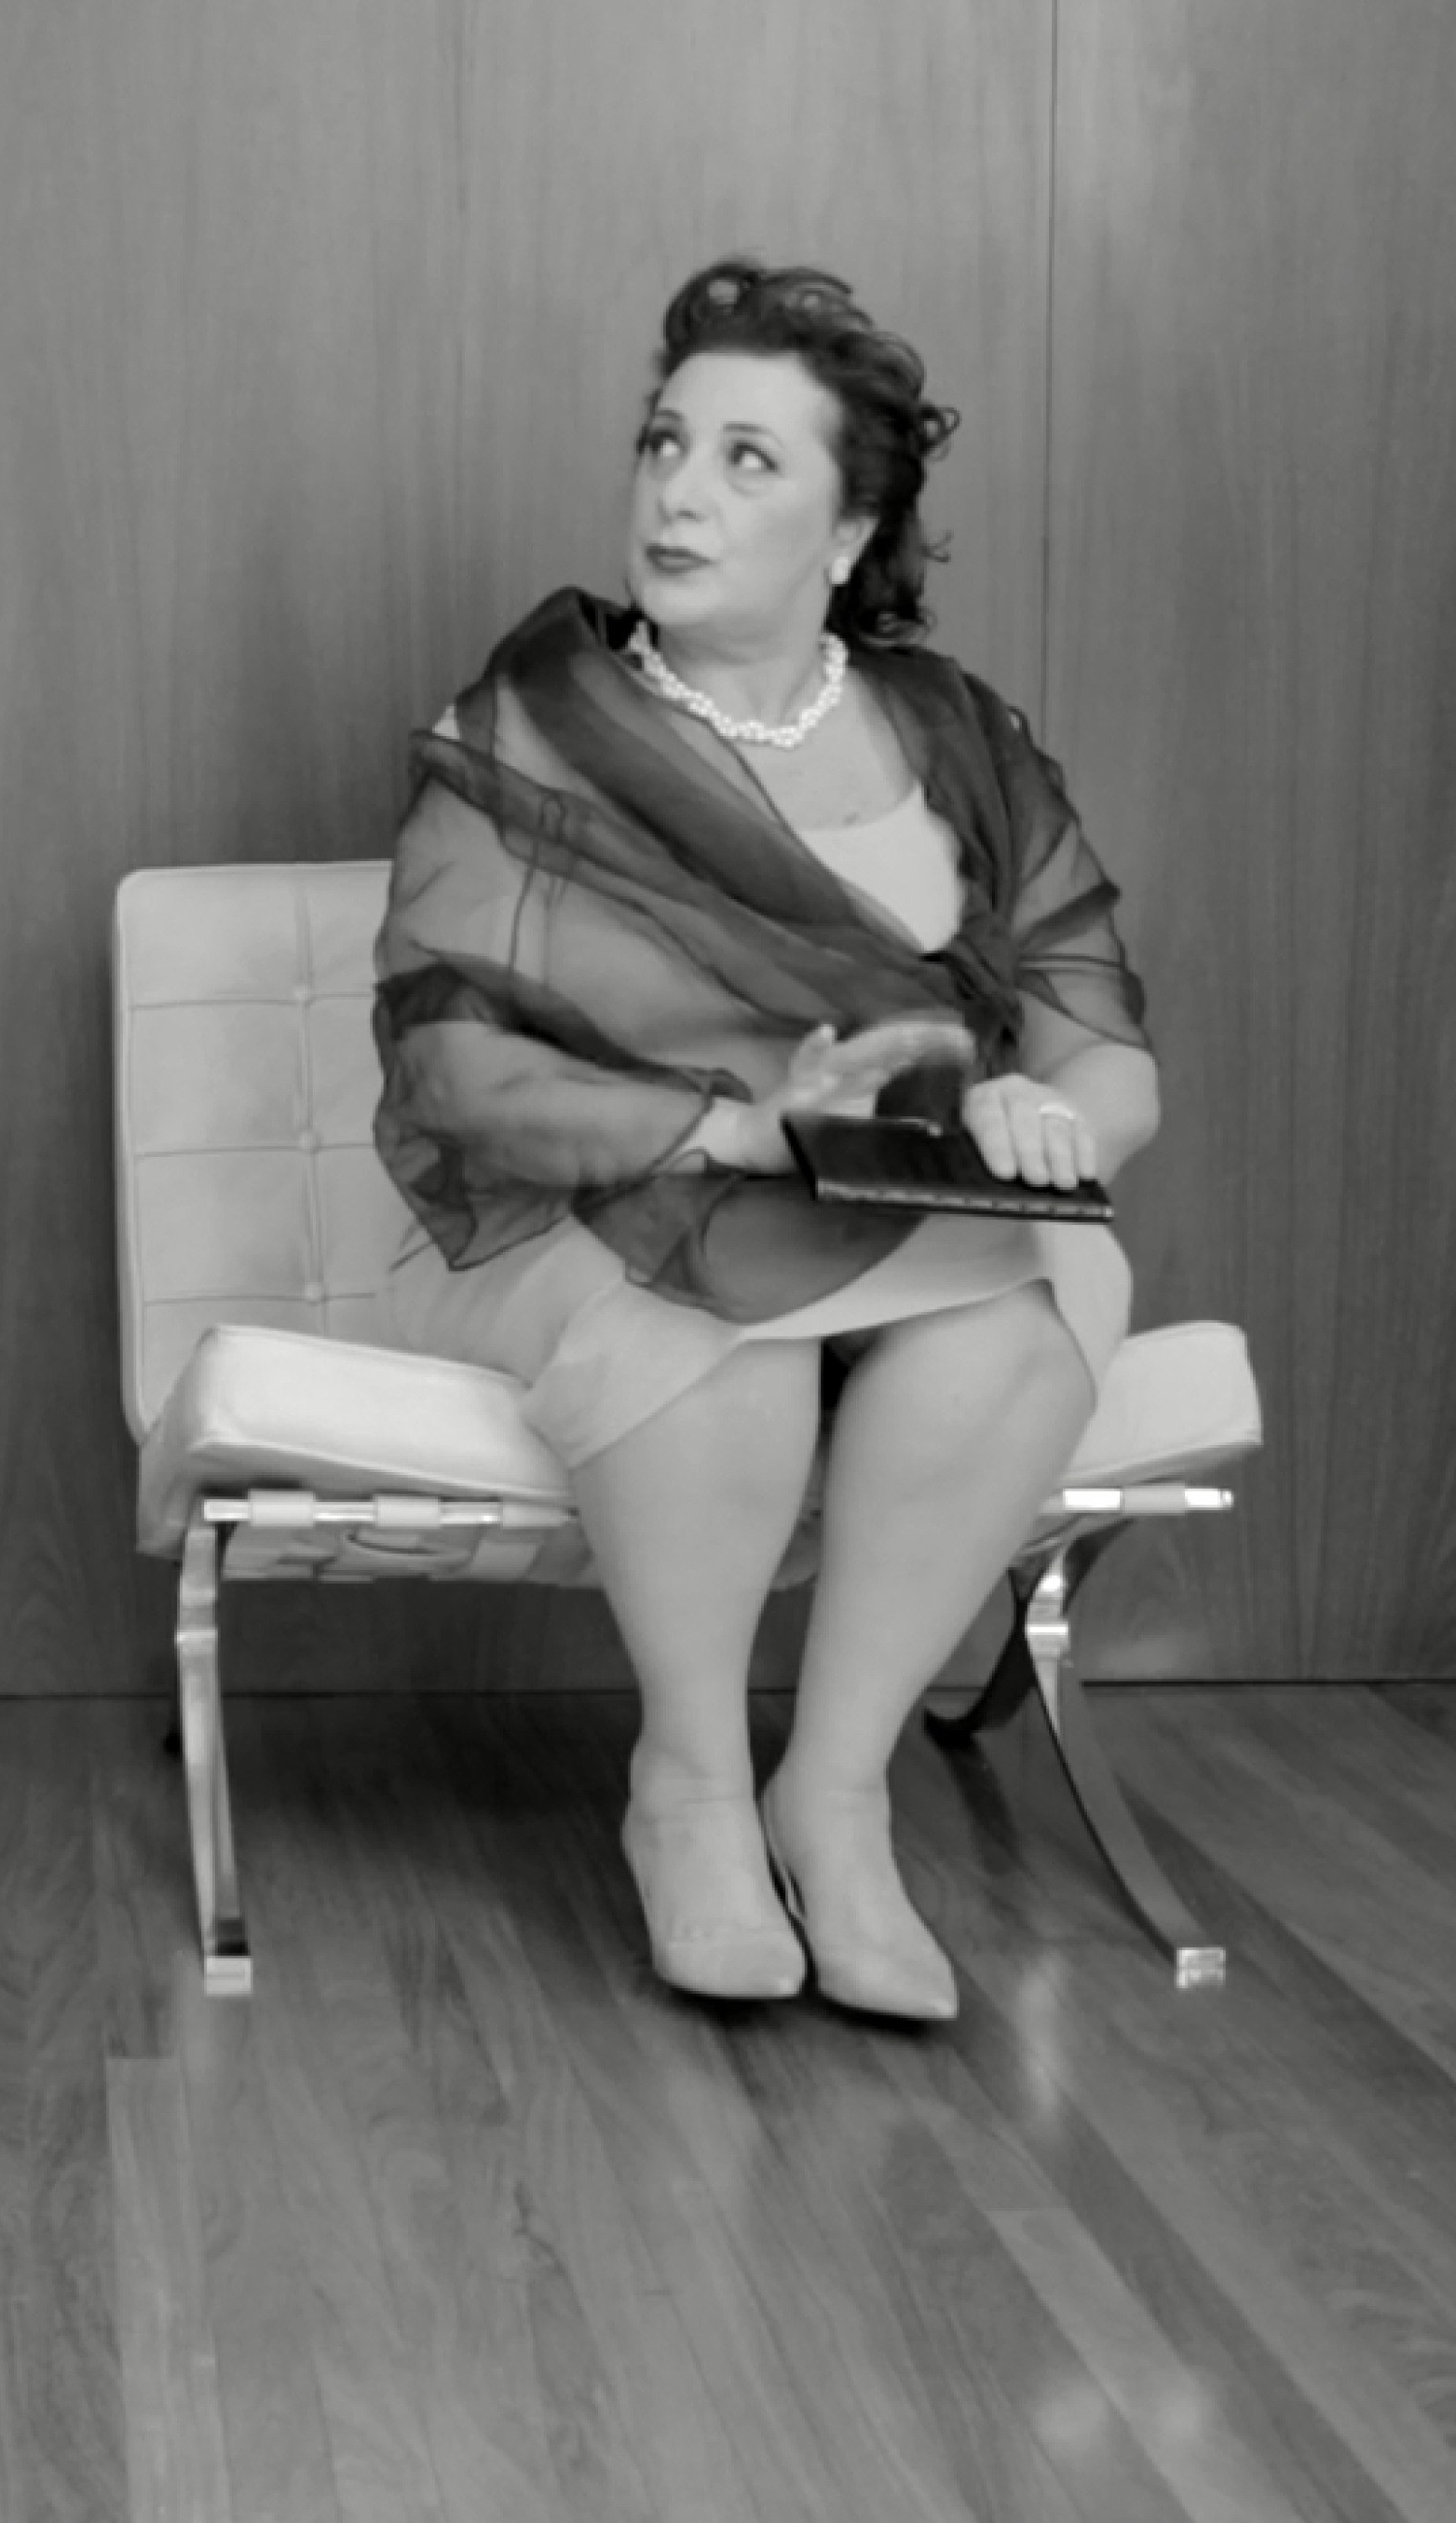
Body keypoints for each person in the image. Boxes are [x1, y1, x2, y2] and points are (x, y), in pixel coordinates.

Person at [372, 257, 1155, 2021]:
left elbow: (1111, 1055)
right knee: (720, 1322)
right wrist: (731, 1131)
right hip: (599, 1203)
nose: (679, 491)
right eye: (665, 443)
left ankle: (839, 1792)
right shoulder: (532, 732)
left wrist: (1043, 1109)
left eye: (747, 459)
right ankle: (692, 1786)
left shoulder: (956, 737)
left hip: (894, 1207)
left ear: (851, 527)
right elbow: (451, 1074)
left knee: (1019, 1318)